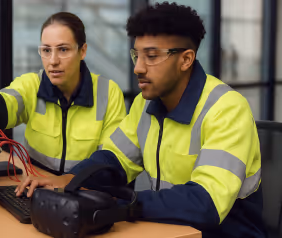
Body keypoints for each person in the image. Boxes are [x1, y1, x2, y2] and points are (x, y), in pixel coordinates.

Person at [15, 2, 266, 237]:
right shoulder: (145, 104)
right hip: (169, 230)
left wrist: (120, 205)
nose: (138, 68)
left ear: (186, 59)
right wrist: (68, 182)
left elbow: (205, 203)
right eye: (137, 55)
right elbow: (113, 159)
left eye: (152, 56)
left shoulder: (227, 109)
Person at [0, 12, 126, 175]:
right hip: (36, 189)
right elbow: (10, 100)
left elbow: (110, 160)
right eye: (46, 50)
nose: (53, 61)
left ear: (82, 51)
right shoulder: (31, 84)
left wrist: (65, 184)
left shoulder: (109, 93)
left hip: (86, 193)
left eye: (63, 49)